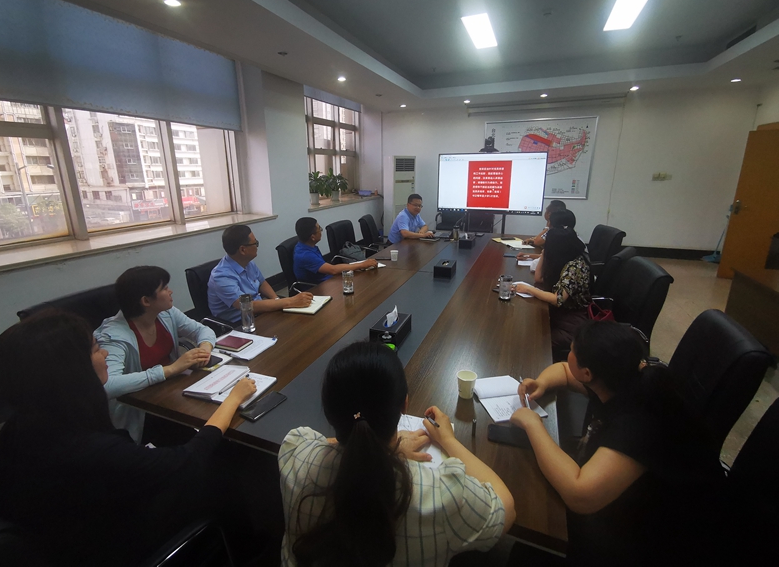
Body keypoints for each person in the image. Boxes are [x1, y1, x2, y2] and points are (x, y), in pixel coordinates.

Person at [0, 310, 257, 566]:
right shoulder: (92, 450)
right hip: (110, 546)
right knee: (221, 466)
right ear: (72, 371)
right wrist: (232, 399)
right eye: (95, 349)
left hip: (65, 529)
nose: (104, 353)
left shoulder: (18, 429)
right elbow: (187, 462)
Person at [279, 342, 515, 567]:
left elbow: (323, 440)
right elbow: (505, 508)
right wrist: (448, 440)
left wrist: (379, 447)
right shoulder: (442, 495)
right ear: (405, 404)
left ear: (329, 411)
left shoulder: (295, 455)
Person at [512, 321, 725, 566]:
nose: (568, 354)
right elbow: (564, 371)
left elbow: (580, 495)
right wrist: (542, 382)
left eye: (571, 350)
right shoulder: (622, 376)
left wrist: (533, 424)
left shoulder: (638, 422)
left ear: (588, 373)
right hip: (643, 502)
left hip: (671, 536)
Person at [95, 265, 218, 442]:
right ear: (146, 301)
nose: (171, 291)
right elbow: (107, 386)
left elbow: (201, 330)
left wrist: (204, 349)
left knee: (217, 417)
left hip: (172, 392)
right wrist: (170, 369)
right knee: (203, 437)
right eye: (165, 288)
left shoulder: (166, 313)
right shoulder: (113, 335)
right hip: (142, 410)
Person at [208, 224, 313, 322]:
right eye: (255, 243)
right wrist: (289, 302)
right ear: (243, 250)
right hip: (241, 323)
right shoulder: (221, 276)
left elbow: (262, 282)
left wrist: (276, 299)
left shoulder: (248, 263)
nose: (257, 246)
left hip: (260, 313)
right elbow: (247, 305)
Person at [515, 226, 590, 356]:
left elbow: (557, 299)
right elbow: (539, 278)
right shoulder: (565, 258)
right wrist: (544, 254)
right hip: (559, 314)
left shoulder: (575, 266)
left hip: (572, 322)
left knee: (533, 341)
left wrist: (528, 289)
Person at [293, 217, 378, 285]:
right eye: (319, 229)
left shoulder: (306, 245)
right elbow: (332, 270)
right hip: (317, 288)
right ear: (312, 237)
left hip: (326, 279)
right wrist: (362, 264)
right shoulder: (305, 255)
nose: (321, 231)